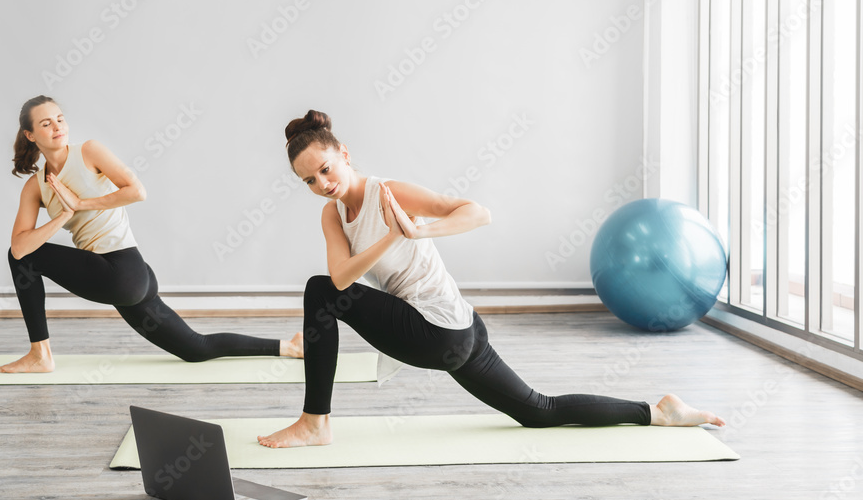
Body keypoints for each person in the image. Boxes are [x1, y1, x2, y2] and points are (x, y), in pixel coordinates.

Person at [257, 110, 725, 448]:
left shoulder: (389, 192)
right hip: (455, 328)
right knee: (538, 411)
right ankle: (658, 412)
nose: (322, 183)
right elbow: (342, 277)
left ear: (344, 154)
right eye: (310, 181)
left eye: (325, 169)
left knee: (317, 291)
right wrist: (392, 240)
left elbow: (476, 212)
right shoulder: (333, 216)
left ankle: (315, 422)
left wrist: (419, 230)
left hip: (442, 330)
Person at [0, 95, 302, 373]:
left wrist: (80, 204)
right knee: (195, 348)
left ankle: (41, 354)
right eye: (46, 123)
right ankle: (288, 347)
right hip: (124, 277)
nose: (57, 127)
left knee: (24, 258)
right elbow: (19, 245)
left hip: (122, 271)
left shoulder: (88, 151)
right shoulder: (35, 186)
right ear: (30, 134)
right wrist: (64, 215)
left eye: (60, 118)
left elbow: (137, 191)